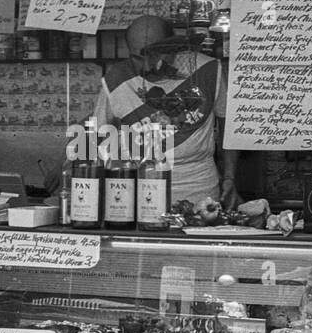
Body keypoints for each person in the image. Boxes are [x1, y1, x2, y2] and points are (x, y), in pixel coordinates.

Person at [93, 14, 240, 206]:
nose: (147, 66)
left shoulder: (207, 69)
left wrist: (229, 177)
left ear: (172, 46)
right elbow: (95, 133)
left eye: (154, 54)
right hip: (139, 191)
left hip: (200, 188)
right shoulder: (116, 79)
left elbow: (229, 125)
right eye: (138, 57)